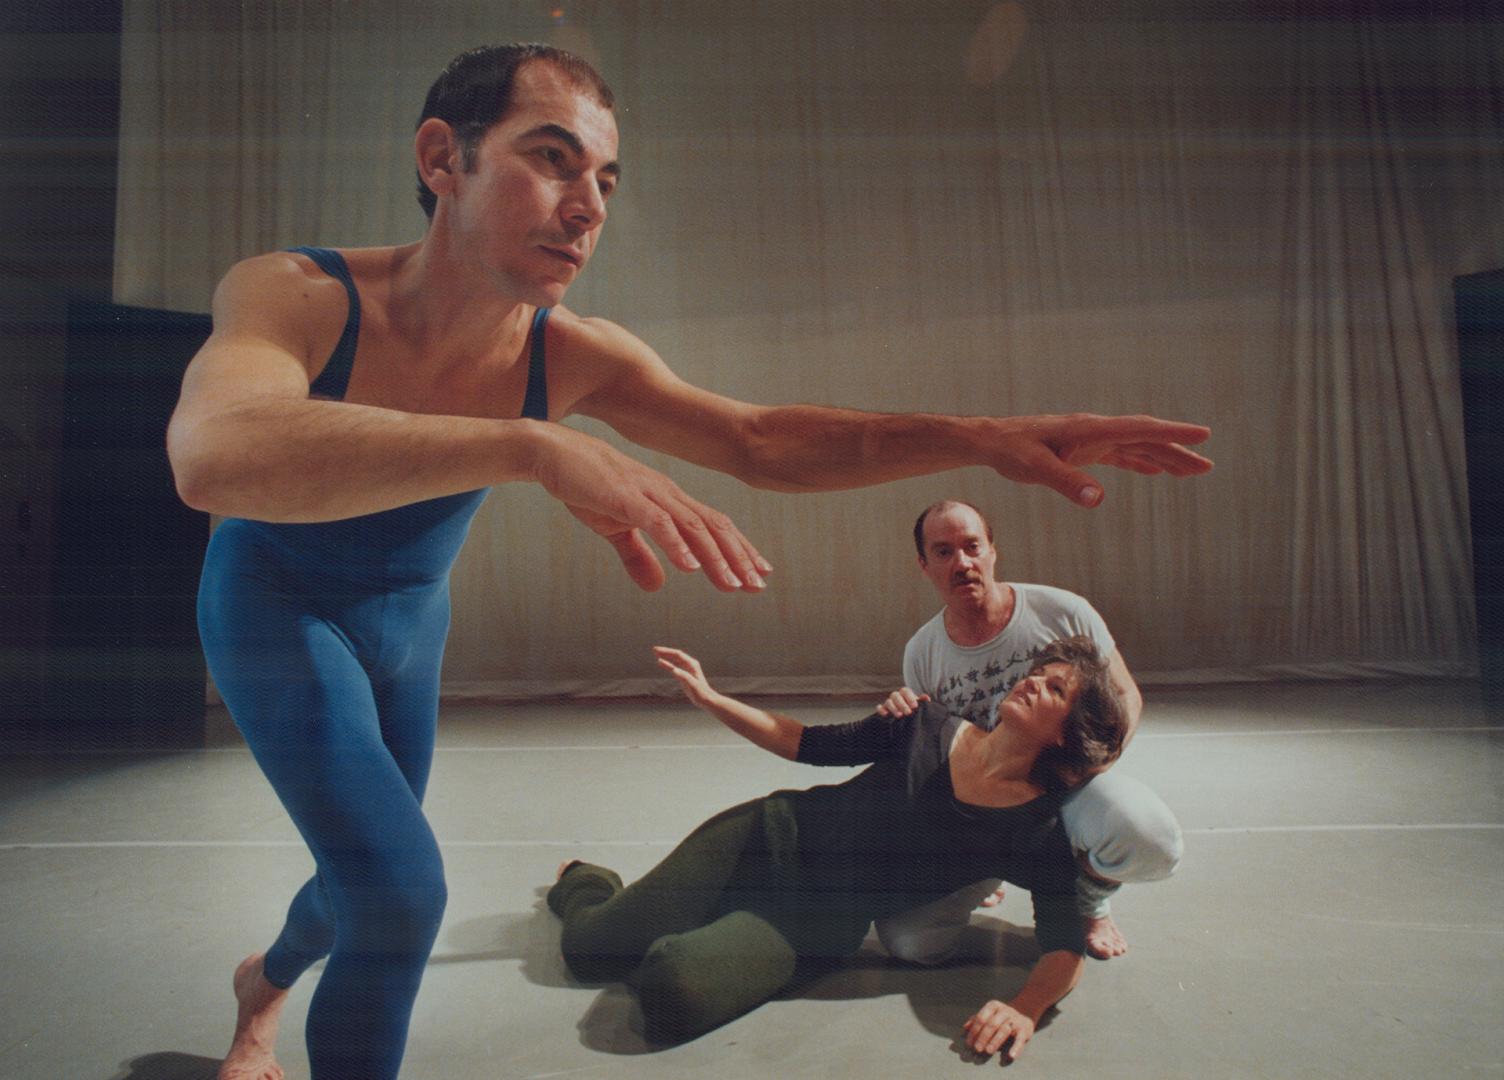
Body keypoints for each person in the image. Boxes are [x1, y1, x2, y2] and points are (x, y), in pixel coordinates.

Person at [166, 43, 1211, 1080]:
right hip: (276, 606)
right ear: (444, 158)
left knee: (365, 877)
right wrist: (532, 445)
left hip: (407, 628)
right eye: (552, 158)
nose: (589, 206)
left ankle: (265, 985)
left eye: (606, 180)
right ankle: (271, 1001)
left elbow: (758, 440)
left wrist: (976, 436)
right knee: (396, 889)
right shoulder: (299, 294)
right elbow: (214, 457)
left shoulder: (567, 350)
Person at [549, 637, 1127, 1058]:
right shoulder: (923, 723)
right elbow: (801, 742)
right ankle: (588, 880)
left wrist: (1024, 1007)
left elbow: (1063, 944)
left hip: (812, 924)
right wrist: (710, 698)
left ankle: (692, 926)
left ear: (1063, 734)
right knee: (588, 949)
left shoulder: (1036, 828)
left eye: (1055, 689)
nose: (1031, 681)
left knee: (671, 993)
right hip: (760, 839)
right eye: (1039, 673)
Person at [871, 499, 1182, 965]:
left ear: (992, 550)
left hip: (1070, 788)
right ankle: (986, 874)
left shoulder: (1063, 611)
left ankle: (1088, 901)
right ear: (924, 565)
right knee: (913, 944)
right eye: (943, 551)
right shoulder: (922, 652)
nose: (962, 562)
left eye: (972, 546)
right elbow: (932, 751)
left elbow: (1126, 698)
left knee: (1148, 835)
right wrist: (897, 720)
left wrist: (1089, 767)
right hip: (989, 812)